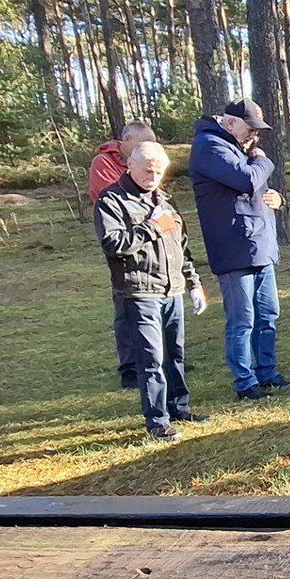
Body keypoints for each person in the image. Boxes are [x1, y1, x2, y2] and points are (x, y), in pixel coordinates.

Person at [94, 138, 208, 443]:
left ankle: (179, 407)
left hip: (173, 290)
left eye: (159, 172)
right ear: (130, 165)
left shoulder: (164, 202)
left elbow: (182, 249)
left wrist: (194, 283)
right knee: (151, 359)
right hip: (139, 291)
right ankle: (158, 421)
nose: (153, 176)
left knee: (175, 354)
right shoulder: (112, 201)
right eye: (147, 170)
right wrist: (151, 227)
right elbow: (113, 244)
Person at [189, 99, 288, 401]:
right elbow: (246, 180)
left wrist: (276, 199)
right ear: (230, 123)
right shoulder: (208, 146)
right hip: (234, 248)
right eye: (250, 129)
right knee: (242, 318)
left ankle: (266, 372)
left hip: (259, 244)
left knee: (268, 313)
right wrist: (263, 160)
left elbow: (257, 189)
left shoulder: (238, 148)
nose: (254, 137)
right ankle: (245, 382)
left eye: (258, 132)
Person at [88, 122, 159, 389]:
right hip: (123, 243)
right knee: (127, 304)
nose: (147, 150)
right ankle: (130, 366)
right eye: (142, 144)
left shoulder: (146, 163)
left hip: (152, 243)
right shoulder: (103, 163)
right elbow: (112, 198)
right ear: (126, 140)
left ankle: (158, 357)